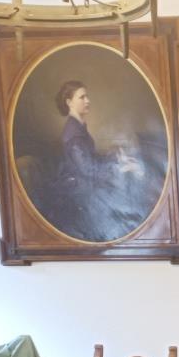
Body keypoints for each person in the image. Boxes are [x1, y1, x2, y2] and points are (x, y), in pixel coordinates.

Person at [46, 80, 150, 242]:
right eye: (82, 97)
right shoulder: (73, 134)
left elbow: (90, 157)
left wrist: (116, 157)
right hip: (81, 191)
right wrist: (119, 167)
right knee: (128, 213)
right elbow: (88, 170)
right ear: (69, 102)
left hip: (86, 182)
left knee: (131, 204)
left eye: (87, 96)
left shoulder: (79, 127)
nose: (88, 100)